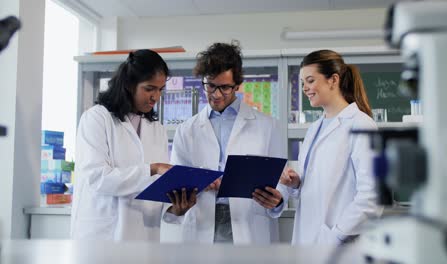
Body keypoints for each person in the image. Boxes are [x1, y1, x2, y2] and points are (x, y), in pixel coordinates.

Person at [160, 41, 286, 244]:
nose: (216, 94)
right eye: (210, 86)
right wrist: (181, 200)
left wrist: (278, 200)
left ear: (237, 84)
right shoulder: (187, 129)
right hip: (203, 221)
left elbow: (282, 178)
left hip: (248, 223)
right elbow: (178, 179)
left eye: (225, 87)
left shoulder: (268, 126)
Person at [273, 49, 382, 245]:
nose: (305, 88)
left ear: (333, 80)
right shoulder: (315, 128)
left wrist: (336, 235)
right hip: (308, 239)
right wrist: (297, 183)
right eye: (303, 82)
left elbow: (372, 197)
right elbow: (318, 186)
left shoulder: (361, 125)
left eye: (311, 80)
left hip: (340, 243)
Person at [70, 49, 173, 241]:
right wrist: (153, 169)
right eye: (149, 88)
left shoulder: (156, 129)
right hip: (103, 236)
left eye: (160, 90)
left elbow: (156, 189)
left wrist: (176, 207)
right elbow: (97, 177)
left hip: (143, 237)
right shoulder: (96, 118)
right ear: (128, 84)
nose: (155, 97)